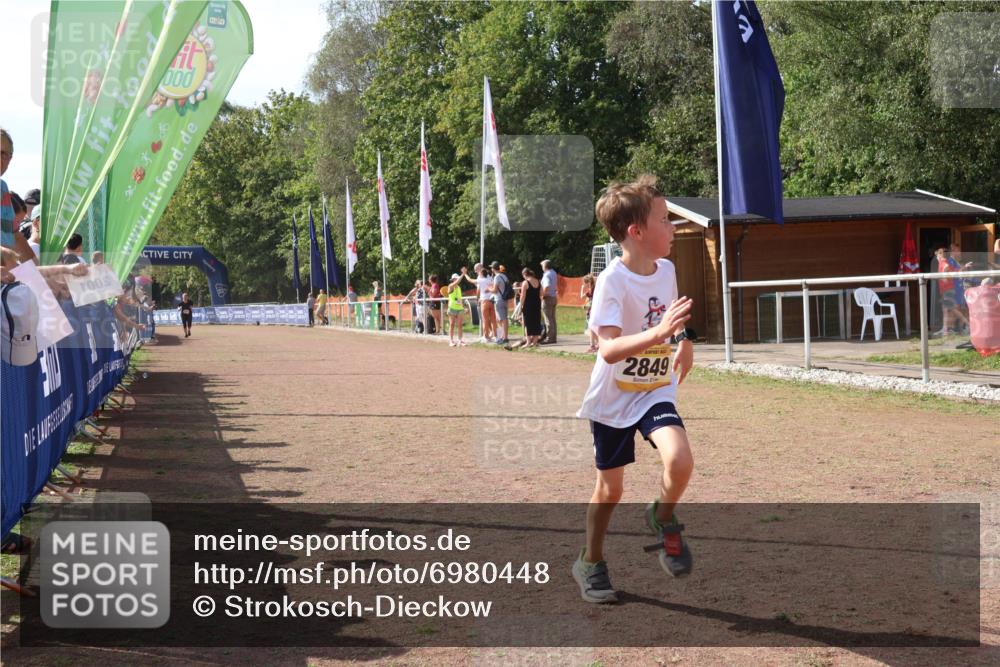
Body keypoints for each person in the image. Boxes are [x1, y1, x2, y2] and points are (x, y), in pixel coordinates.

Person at [573, 175, 695, 604]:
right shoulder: (612, 281)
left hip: (654, 389)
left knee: (679, 459)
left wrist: (682, 341)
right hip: (614, 396)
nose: (674, 227)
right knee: (611, 489)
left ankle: (662, 517)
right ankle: (590, 561)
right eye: (665, 219)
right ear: (636, 232)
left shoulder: (667, 270)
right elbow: (607, 349)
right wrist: (660, 332)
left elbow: (670, 320)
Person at [1, 129, 36, 264]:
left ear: (10, 159)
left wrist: (39, 272)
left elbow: (15, 235)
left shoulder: (2, 187)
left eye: (4, 154)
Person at [934, 246, 968, 336]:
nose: (937, 257)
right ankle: (945, 329)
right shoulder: (942, 261)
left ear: (941, 255)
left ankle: (968, 324)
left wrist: (944, 277)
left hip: (948, 290)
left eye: (938, 255)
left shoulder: (945, 263)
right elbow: (955, 270)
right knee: (945, 310)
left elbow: (947, 268)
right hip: (946, 290)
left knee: (952, 309)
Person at [463, 263, 495, 343]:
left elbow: (470, 280)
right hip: (492, 300)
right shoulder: (489, 277)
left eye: (476, 270)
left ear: (480, 270)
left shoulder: (480, 279)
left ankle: (486, 337)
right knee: (493, 319)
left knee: (485, 320)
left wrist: (465, 274)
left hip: (484, 300)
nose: (475, 271)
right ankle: (495, 336)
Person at [520, 268, 543, 347]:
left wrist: (521, 305)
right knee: (536, 322)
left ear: (524, 275)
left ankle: (528, 342)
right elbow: (541, 293)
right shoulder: (538, 282)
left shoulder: (525, 283)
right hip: (537, 304)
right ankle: (535, 342)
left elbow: (523, 296)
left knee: (528, 323)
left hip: (528, 305)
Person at [490, 261, 511, 345]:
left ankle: (504, 337)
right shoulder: (504, 276)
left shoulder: (497, 277)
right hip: (505, 299)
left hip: (499, 299)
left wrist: (489, 289)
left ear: (493, 269)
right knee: (503, 319)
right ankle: (503, 336)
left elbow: (494, 290)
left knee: (502, 319)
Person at [444, 273, 466, 346]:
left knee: (460, 325)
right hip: (452, 308)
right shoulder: (450, 286)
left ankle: (460, 340)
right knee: (452, 324)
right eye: (455, 279)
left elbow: (459, 299)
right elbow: (457, 282)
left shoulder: (459, 288)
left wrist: (463, 306)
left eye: (457, 278)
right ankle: (451, 340)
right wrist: (463, 274)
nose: (456, 280)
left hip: (460, 308)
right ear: (453, 280)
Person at [540, 259, 559, 344]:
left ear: (545, 266)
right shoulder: (553, 273)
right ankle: (553, 337)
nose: (541, 267)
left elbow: (546, 286)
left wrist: (542, 295)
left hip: (547, 298)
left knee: (548, 319)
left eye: (542, 266)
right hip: (554, 297)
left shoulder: (546, 275)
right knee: (552, 318)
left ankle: (549, 338)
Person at [581, 273, 598, 353]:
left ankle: (593, 346)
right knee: (594, 328)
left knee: (592, 328)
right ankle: (597, 344)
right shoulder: (595, 287)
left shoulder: (591, 289)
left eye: (585, 283)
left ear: (587, 282)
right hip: (595, 309)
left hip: (592, 310)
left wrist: (582, 288)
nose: (584, 284)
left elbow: (582, 296)